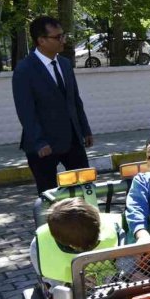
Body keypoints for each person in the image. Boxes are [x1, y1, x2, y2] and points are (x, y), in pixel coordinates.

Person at [12, 15, 94, 193]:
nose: (63, 40)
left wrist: (85, 129)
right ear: (41, 40)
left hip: (73, 140)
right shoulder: (24, 70)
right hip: (43, 145)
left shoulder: (64, 64)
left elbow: (75, 100)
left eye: (63, 35)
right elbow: (26, 111)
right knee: (49, 198)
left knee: (85, 190)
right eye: (58, 37)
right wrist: (39, 142)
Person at [30, 197, 123, 286]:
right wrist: (74, 283)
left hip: (113, 282)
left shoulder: (115, 230)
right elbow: (49, 276)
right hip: (69, 289)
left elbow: (126, 264)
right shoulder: (40, 245)